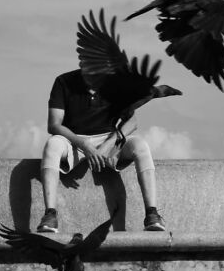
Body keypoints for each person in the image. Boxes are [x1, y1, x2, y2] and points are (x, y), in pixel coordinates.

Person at [37, 69, 166, 233]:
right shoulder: (64, 82)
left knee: (140, 145)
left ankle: (152, 214)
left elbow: (132, 122)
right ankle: (50, 215)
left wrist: (110, 144)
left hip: (110, 140)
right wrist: (85, 145)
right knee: (52, 145)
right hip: (74, 141)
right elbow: (54, 125)